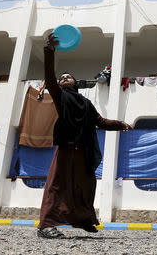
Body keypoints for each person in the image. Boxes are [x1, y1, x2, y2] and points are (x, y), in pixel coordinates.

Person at [37, 33, 133, 238]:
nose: (63, 78)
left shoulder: (86, 104)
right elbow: (49, 77)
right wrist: (50, 50)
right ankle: (46, 225)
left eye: (67, 76)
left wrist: (121, 124)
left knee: (85, 186)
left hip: (84, 151)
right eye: (61, 78)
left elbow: (100, 122)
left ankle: (84, 220)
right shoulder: (60, 96)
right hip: (66, 147)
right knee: (57, 185)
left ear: (75, 82)